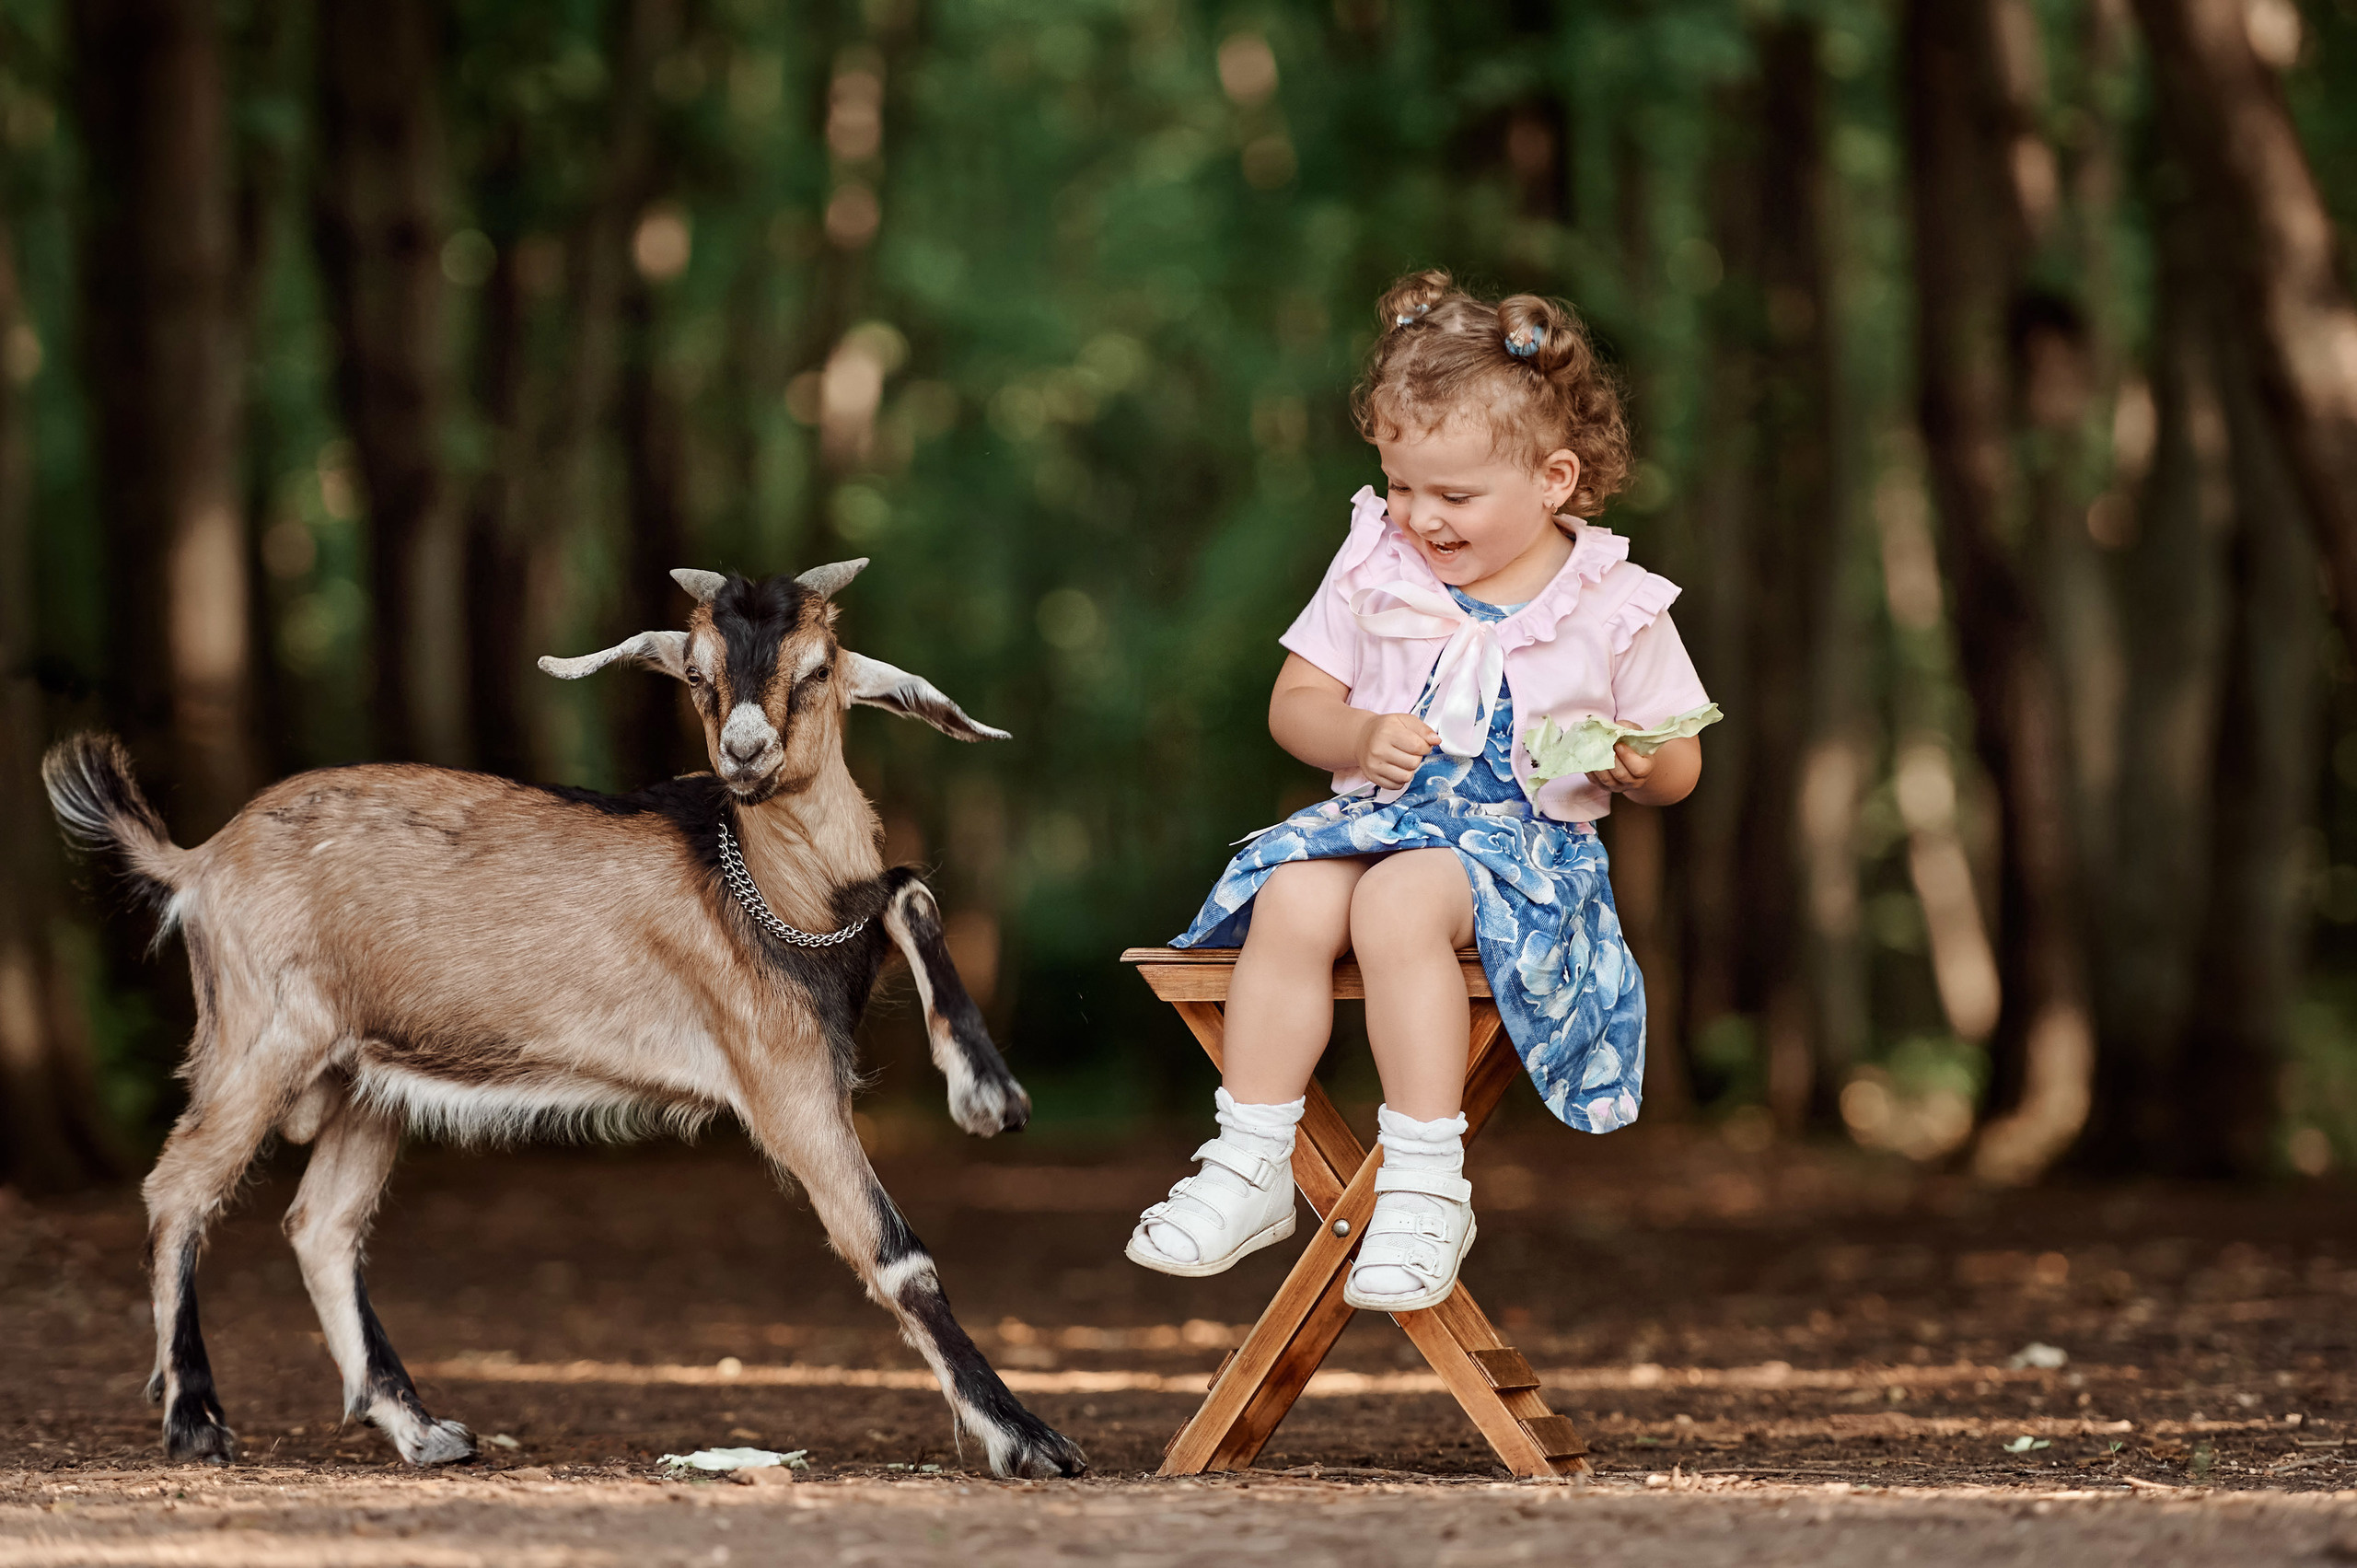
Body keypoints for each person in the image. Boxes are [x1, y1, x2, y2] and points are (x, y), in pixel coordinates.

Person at [1126, 269, 1716, 1313]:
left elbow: (1679, 763)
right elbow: (1294, 704)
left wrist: (1637, 761)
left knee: (1396, 898)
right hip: (1380, 823)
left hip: (1525, 851)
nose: (1420, 518)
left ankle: (1423, 1181)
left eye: (1453, 496)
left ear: (1553, 478)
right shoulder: (1373, 567)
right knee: (1297, 892)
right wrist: (1353, 730)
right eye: (1401, 487)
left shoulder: (1614, 603)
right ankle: (1252, 1155)